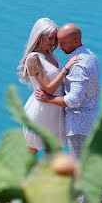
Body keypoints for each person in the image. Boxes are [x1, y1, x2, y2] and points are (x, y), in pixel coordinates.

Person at [34, 23, 101, 203]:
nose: (59, 46)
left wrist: (48, 100)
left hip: (79, 124)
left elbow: (74, 100)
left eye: (62, 42)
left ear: (76, 41)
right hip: (91, 120)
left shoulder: (79, 66)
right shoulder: (91, 56)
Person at [17, 18, 81, 154]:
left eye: (55, 39)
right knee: (30, 152)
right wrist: (66, 68)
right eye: (50, 38)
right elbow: (49, 88)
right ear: (40, 36)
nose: (53, 43)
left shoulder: (51, 56)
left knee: (52, 155)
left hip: (55, 109)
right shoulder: (33, 59)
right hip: (41, 110)